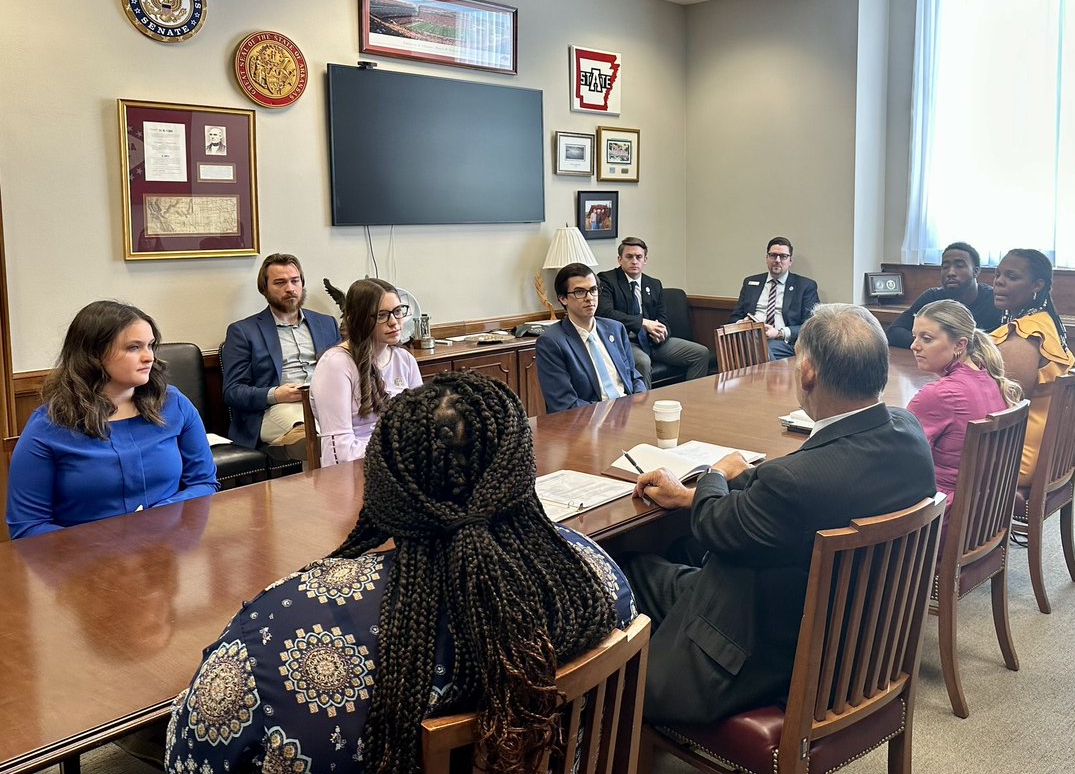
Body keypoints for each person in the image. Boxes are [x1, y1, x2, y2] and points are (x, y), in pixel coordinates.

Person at [166, 372, 635, 774]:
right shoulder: (594, 574)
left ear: (385, 484)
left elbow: (189, 758)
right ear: (519, 473)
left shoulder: (274, 636)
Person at [625, 304, 935, 724]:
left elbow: (716, 527)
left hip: (771, 654)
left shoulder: (792, 482)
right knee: (671, 556)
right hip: (853, 638)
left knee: (626, 569)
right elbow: (805, 494)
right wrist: (702, 493)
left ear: (806, 372)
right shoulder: (907, 431)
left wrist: (716, 473)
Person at [6, 301, 218, 539]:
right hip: (83, 563)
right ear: (94, 354)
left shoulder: (174, 404)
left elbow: (204, 482)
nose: (149, 357)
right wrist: (104, 544)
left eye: (150, 345)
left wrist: (160, 515)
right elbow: (28, 527)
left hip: (166, 550)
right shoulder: (48, 426)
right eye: (133, 347)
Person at [222, 253, 341, 459]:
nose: (290, 288)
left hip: (324, 403)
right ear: (265, 289)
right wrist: (276, 394)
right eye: (280, 283)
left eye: (295, 281)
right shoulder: (243, 331)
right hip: (277, 409)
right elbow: (233, 392)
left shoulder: (326, 324)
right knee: (318, 438)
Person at [907, 299, 1023, 509]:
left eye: (926, 339)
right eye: (914, 336)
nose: (914, 346)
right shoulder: (991, 380)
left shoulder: (938, 395)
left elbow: (901, 460)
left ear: (960, 344)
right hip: (984, 513)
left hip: (943, 517)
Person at [309, 278, 423, 466]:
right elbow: (339, 450)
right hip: (356, 468)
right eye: (381, 315)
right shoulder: (336, 364)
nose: (394, 322)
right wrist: (395, 451)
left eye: (398, 311)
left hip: (399, 462)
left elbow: (419, 424)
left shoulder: (404, 359)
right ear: (359, 319)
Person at [990, 249, 1075, 483]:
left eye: (1012, 276)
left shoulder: (1025, 336)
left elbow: (1006, 406)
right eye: (998, 274)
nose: (999, 281)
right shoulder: (1044, 321)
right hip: (1041, 446)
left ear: (1037, 285)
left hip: (1019, 457)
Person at [597, 237, 711, 385]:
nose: (634, 261)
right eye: (629, 256)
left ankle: (691, 401)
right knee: (643, 362)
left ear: (645, 260)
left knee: (701, 353)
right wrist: (643, 323)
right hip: (625, 341)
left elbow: (662, 319)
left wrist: (662, 334)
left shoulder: (654, 284)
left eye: (639, 257)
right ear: (619, 259)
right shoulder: (606, 280)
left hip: (653, 342)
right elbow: (606, 314)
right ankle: (643, 407)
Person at [535, 263, 647, 413]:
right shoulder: (552, 342)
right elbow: (564, 404)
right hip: (588, 422)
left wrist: (638, 404)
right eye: (580, 292)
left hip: (628, 415)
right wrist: (611, 412)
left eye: (593, 290)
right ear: (563, 299)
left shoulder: (615, 329)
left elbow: (634, 377)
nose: (590, 298)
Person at [886, 241, 1003, 348]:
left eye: (959, 266)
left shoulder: (994, 300)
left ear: (976, 271)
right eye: (945, 267)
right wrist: (933, 342)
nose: (951, 272)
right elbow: (894, 332)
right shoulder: (932, 298)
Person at [729, 236, 820, 359]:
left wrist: (779, 333)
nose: (777, 260)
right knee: (749, 345)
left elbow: (810, 326)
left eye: (783, 256)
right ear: (767, 258)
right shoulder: (750, 282)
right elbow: (735, 317)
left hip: (784, 343)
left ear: (790, 261)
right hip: (749, 337)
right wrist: (742, 323)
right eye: (773, 255)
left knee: (760, 349)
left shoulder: (805, 286)